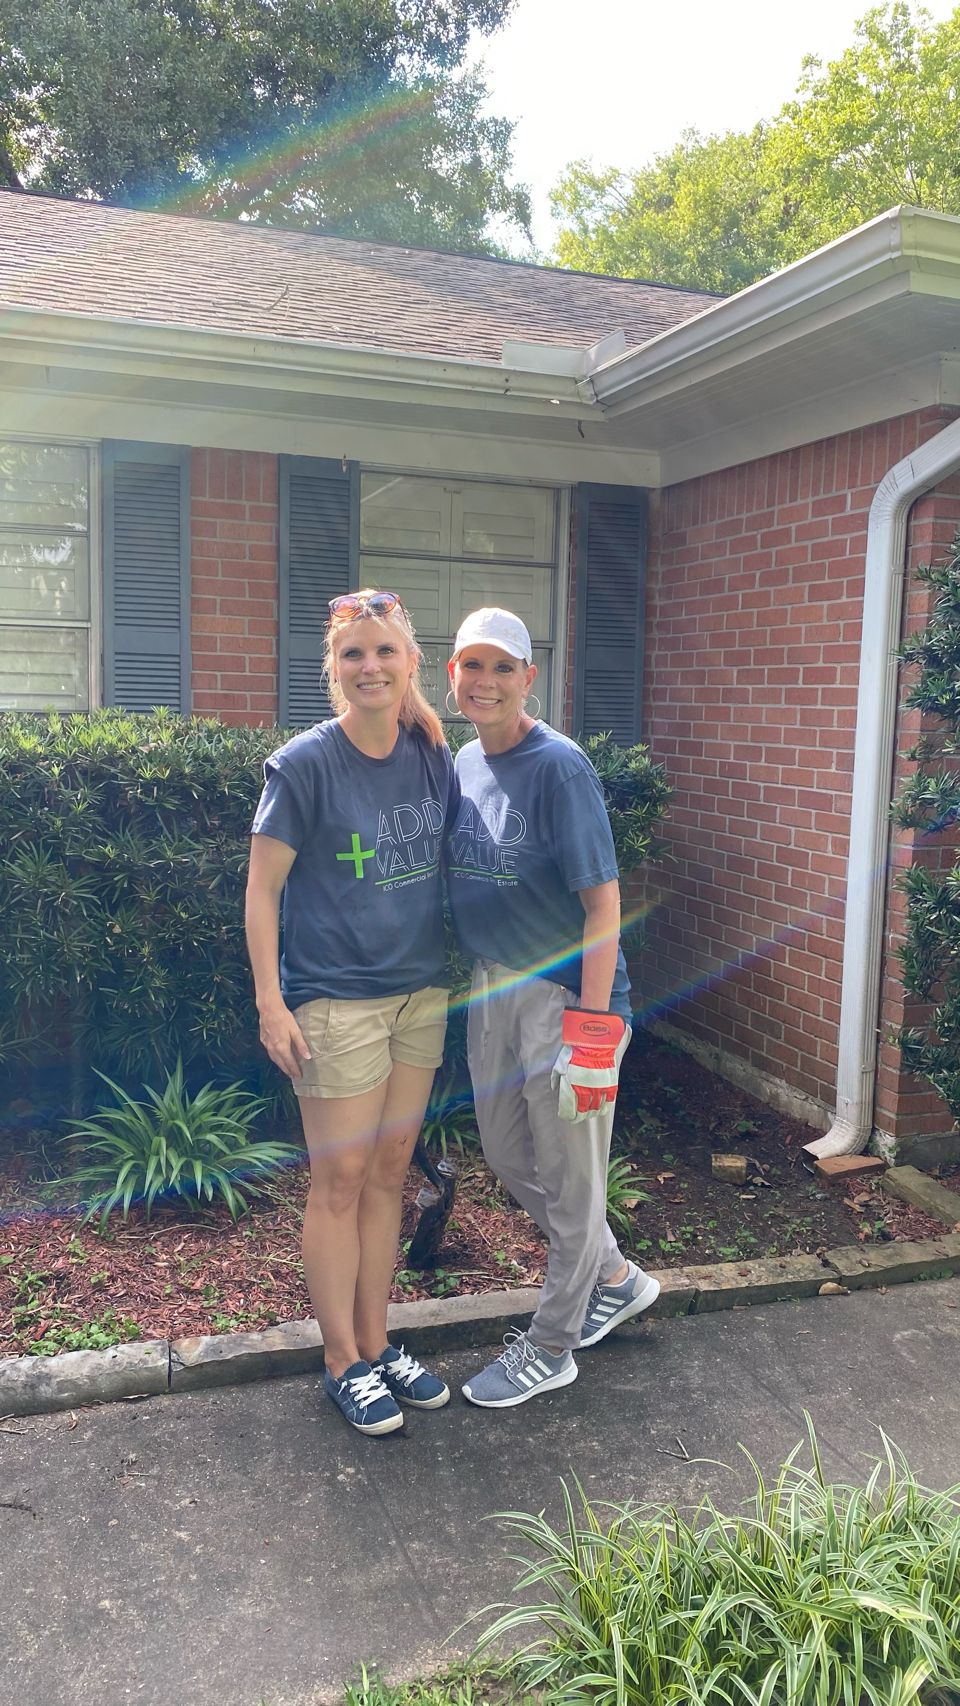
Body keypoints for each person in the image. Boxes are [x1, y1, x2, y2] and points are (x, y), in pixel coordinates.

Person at [245, 590, 457, 1436]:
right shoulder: (303, 765)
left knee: (389, 1173)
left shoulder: (431, 753)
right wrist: (271, 1001)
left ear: (410, 662)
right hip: (336, 1001)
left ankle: (376, 1341)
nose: (370, 666)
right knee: (338, 1181)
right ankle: (341, 1360)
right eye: (353, 654)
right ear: (334, 668)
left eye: (384, 650)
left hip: (420, 995)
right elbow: (263, 890)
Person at [445, 607, 660, 1408]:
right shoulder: (464, 760)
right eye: (472, 665)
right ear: (452, 676)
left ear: (529, 678)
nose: (486, 681)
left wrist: (592, 1034)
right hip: (494, 986)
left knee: (572, 1182)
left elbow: (604, 906)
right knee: (507, 1153)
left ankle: (553, 1343)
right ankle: (615, 1276)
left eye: (503, 667)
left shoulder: (559, 767)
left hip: (568, 998)